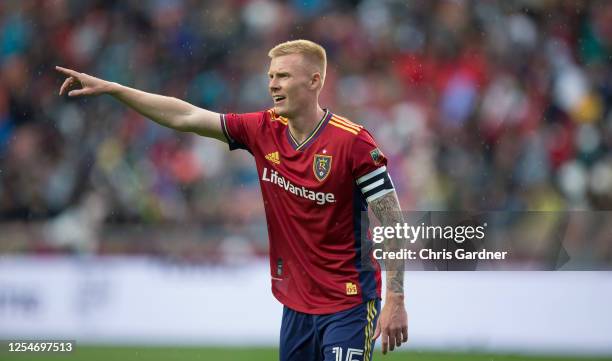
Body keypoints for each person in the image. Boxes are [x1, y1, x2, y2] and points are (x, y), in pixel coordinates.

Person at [56, 39, 408, 361]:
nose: (272, 84)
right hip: (296, 306)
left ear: (314, 82)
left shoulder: (354, 142)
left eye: (283, 76)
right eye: (271, 76)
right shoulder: (262, 128)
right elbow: (187, 116)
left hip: (349, 303)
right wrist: (115, 90)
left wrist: (395, 299)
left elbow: (393, 221)